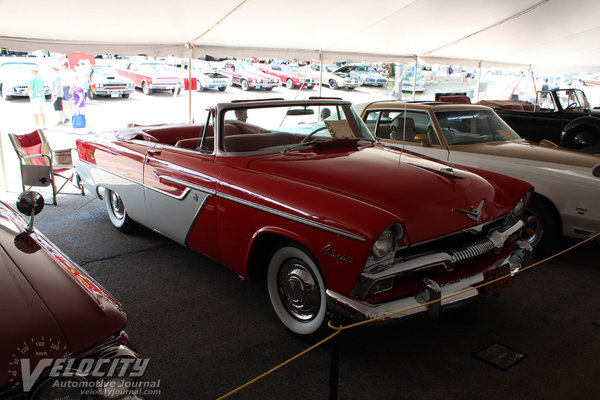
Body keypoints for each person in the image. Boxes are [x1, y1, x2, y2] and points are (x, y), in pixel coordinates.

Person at [23, 64, 47, 129]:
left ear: (33, 71)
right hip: (42, 96)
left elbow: (30, 87)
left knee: (35, 111)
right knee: (42, 111)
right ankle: (44, 125)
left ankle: (37, 125)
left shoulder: (32, 79)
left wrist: (24, 92)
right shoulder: (40, 78)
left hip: (35, 96)